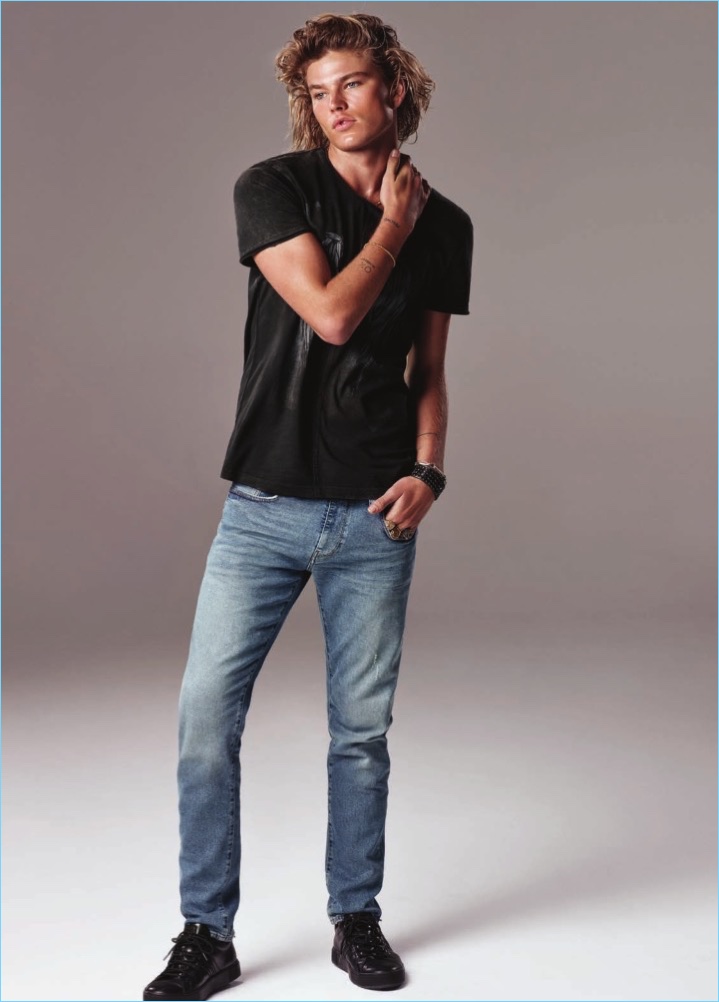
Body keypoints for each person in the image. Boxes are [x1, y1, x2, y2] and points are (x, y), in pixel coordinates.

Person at [143, 12, 472, 1001]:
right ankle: (206, 934)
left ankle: (355, 919)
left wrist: (429, 472)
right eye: (317, 92)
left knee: (360, 735)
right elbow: (329, 315)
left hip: (374, 515)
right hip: (264, 507)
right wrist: (392, 227)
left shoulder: (447, 224)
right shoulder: (273, 188)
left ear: (394, 89)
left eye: (352, 85)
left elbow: (427, 370)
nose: (333, 105)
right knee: (205, 722)